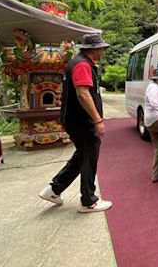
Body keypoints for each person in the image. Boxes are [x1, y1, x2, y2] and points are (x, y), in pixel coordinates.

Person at [39, 33, 112, 212]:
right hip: (82, 121)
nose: (104, 51)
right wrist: (97, 119)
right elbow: (83, 94)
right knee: (89, 157)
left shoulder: (80, 62)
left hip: (76, 119)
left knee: (82, 155)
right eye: (102, 48)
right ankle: (89, 201)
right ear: (93, 50)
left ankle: (54, 189)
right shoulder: (82, 64)